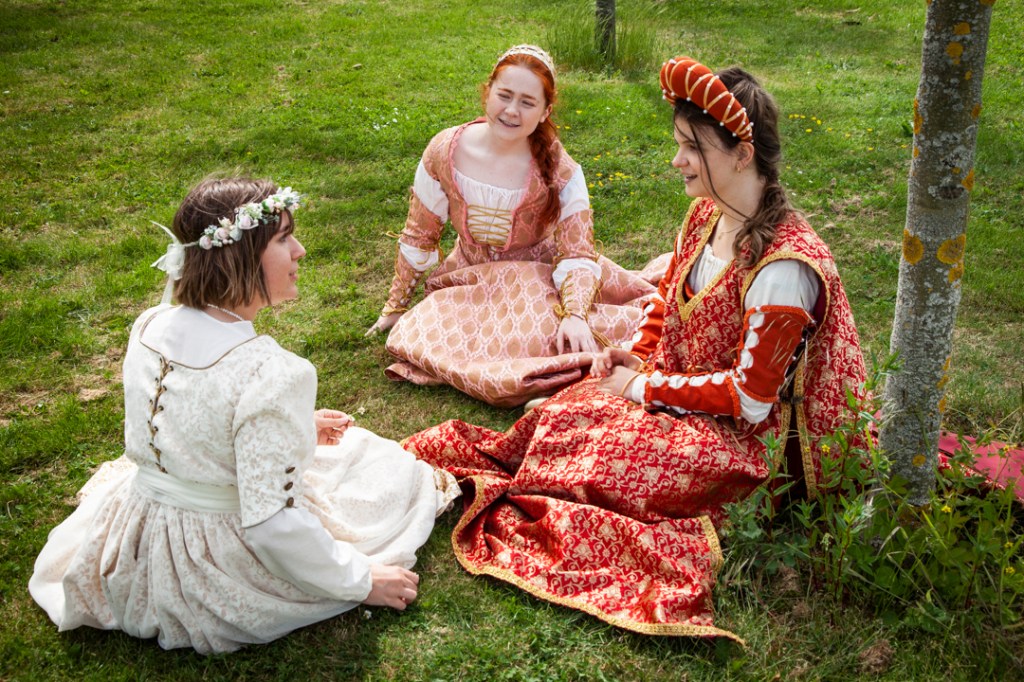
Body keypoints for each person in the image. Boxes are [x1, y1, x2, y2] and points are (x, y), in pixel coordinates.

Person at [401, 57, 868, 639]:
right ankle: (537, 467)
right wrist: (637, 357)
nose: (677, 161)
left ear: (742, 155)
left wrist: (642, 387)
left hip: (758, 445)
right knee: (563, 417)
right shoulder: (706, 215)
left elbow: (752, 401)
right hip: (690, 397)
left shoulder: (785, 268)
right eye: (679, 144)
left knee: (607, 460)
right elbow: (668, 301)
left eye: (692, 148)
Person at [29, 177, 460, 654]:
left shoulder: (150, 324)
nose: (299, 250)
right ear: (239, 255)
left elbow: (193, 419)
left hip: (139, 531)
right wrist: (361, 580)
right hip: (214, 558)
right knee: (392, 473)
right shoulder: (271, 372)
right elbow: (272, 527)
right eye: (284, 238)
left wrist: (297, 428)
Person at [365, 44, 661, 407]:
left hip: (535, 278)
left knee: (551, 333)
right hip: (469, 278)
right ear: (487, 92)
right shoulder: (445, 151)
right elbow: (420, 235)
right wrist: (396, 306)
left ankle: (544, 375)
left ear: (545, 111)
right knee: (412, 332)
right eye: (504, 95)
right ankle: (537, 375)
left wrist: (574, 315)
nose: (511, 110)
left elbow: (577, 253)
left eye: (527, 102)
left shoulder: (560, 168)